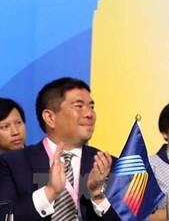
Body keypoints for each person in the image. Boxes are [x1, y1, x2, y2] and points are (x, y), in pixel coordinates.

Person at [0, 77, 120, 220]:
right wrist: (49, 192)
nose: (89, 114)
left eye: (91, 107)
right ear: (50, 117)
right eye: (78, 106)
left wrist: (97, 195)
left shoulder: (109, 165)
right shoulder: (12, 163)